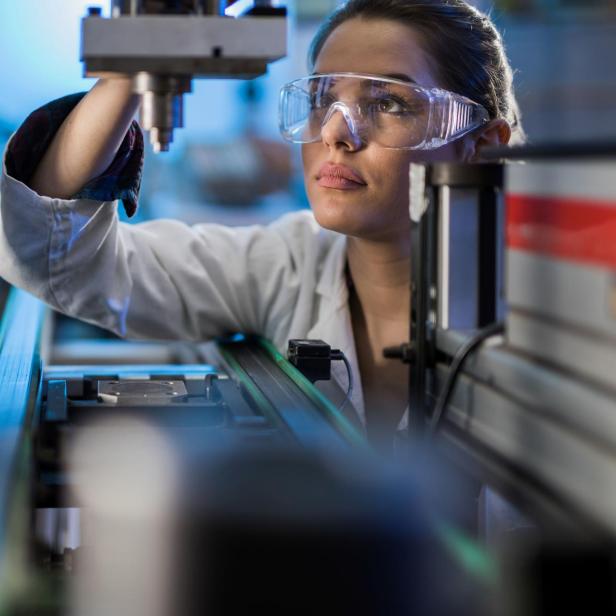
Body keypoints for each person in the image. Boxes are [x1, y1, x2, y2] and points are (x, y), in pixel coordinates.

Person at [0, 0, 523, 450]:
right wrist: (132, 68)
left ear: (481, 145)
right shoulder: (287, 264)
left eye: (387, 103)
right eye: (322, 100)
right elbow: (57, 257)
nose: (338, 133)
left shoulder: (562, 315)